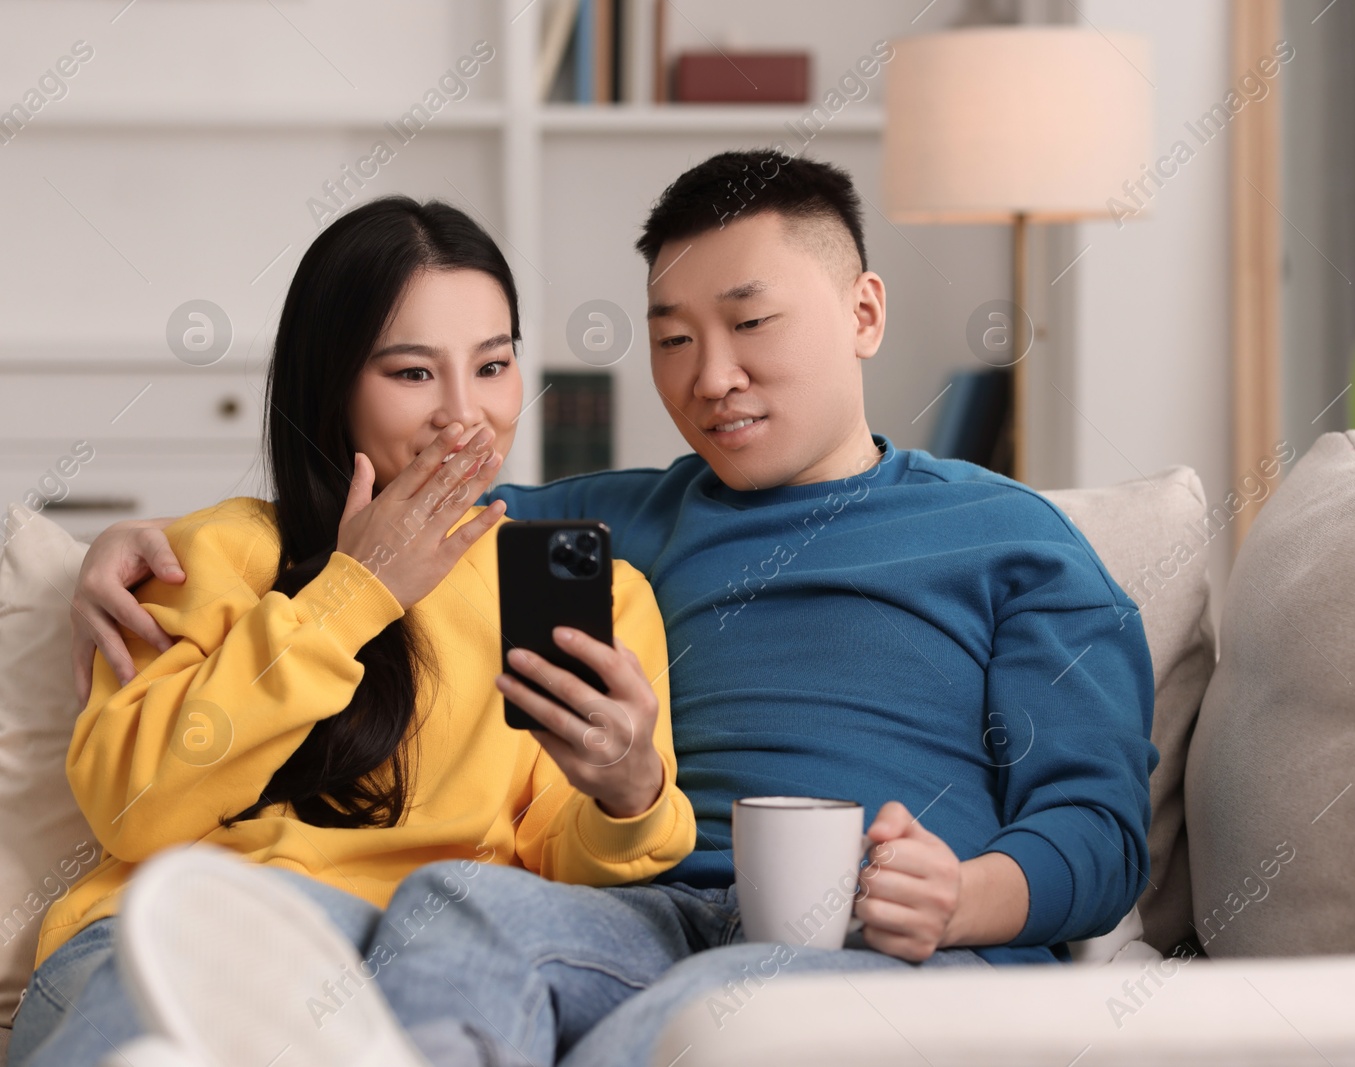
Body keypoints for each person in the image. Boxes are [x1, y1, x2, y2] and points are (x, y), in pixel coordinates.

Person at [69, 152, 1159, 1067]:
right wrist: (106, 549)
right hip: (646, 911)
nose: (711, 376)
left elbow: (1101, 834)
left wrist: (963, 895)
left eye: (751, 324)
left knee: (667, 1033)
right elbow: (386, 515)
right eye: (673, 338)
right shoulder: (610, 526)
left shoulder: (1014, 541)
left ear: (863, 310)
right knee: (457, 902)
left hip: (882, 933)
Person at [13, 197, 695, 1067]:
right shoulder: (217, 550)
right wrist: (356, 592)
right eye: (412, 373)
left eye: (493, 365)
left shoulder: (580, 590)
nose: (465, 414)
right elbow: (133, 808)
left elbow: (556, 873)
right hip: (172, 934)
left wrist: (627, 792)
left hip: (406, 963)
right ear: (330, 385)